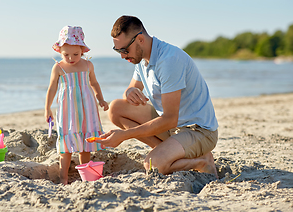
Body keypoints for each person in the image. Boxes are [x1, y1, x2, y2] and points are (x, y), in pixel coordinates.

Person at [97, 15, 219, 178]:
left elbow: (170, 119)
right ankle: (170, 151)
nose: (122, 56)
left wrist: (124, 135)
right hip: (173, 129)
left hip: (198, 131)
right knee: (116, 109)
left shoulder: (169, 61)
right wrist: (129, 91)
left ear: (139, 39)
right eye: (117, 50)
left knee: (153, 165)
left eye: (124, 50)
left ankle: (202, 161)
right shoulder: (141, 59)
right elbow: (132, 89)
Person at [45, 26, 109, 184]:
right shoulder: (59, 67)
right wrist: (47, 108)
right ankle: (63, 177)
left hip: (87, 108)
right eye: (66, 54)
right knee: (66, 147)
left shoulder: (87, 66)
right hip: (68, 110)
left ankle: (85, 176)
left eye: (76, 54)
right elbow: (52, 88)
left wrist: (100, 99)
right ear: (60, 51)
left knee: (85, 144)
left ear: (82, 50)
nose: (71, 58)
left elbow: (94, 83)